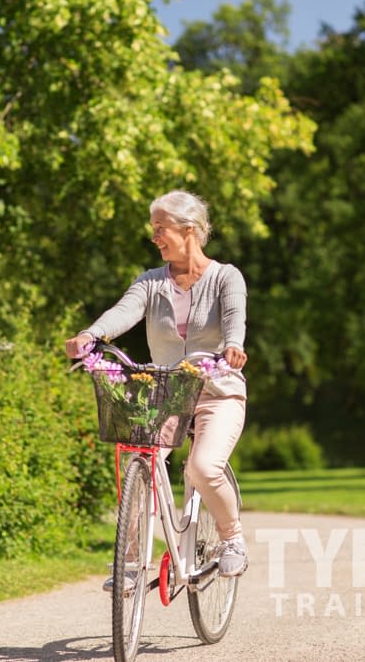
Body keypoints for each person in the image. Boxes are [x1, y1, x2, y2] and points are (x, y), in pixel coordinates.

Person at [65, 189, 249, 583]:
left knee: (203, 467)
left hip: (218, 389)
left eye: (161, 229)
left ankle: (231, 538)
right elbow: (123, 312)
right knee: (141, 463)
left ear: (188, 230)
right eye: (154, 230)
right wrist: (89, 335)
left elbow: (235, 319)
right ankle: (131, 563)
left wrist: (233, 346)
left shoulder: (225, 277)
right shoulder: (151, 283)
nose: (155, 238)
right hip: (165, 394)